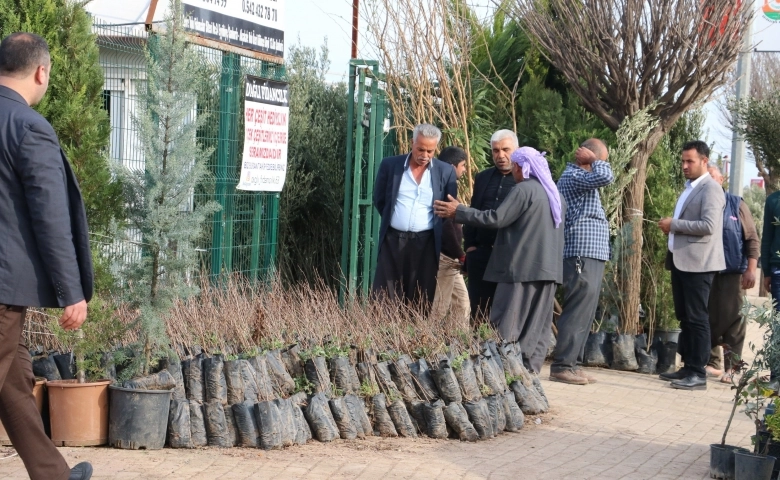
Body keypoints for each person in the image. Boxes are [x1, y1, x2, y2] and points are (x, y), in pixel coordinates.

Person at [0, 33, 94, 480]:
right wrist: (71, 291)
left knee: (15, 387)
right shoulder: (29, 126)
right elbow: (50, 217)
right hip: (2, 292)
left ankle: (52, 475)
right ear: (41, 72)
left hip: (6, 298)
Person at [435, 146, 566, 374]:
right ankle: (529, 378)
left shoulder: (524, 190)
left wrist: (460, 211)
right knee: (537, 327)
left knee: (507, 324)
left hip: (520, 271)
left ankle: (503, 376)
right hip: (549, 272)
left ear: (519, 167)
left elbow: (496, 218)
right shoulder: (555, 194)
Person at [658, 140, 725, 391]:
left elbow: (708, 225)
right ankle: (687, 366)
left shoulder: (710, 189)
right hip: (682, 262)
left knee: (697, 318)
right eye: (683, 161)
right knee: (685, 316)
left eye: (690, 161)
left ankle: (698, 372)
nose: (685, 166)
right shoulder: (690, 187)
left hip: (699, 264)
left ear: (704, 161)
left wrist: (674, 224)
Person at [550, 139, 614, 385]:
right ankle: (562, 365)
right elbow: (606, 178)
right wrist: (596, 161)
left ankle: (572, 364)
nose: (602, 165)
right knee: (577, 309)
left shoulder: (581, 178)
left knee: (586, 311)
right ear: (587, 156)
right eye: (601, 160)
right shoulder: (574, 176)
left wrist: (595, 161)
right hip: (580, 251)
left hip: (592, 252)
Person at [372, 124, 457, 308]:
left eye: (430, 151)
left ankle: (413, 336)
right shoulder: (390, 165)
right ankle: (383, 335)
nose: (425, 155)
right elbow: (379, 200)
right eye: (420, 149)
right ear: (412, 143)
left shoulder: (445, 172)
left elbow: (448, 209)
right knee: (384, 298)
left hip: (425, 243)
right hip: (392, 240)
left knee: (420, 297)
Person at [704, 166, 758, 383]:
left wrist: (751, 270)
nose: (710, 182)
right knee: (706, 317)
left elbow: (752, 238)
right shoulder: (700, 202)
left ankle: (733, 368)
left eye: (713, 177)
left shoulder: (737, 204)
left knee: (734, 320)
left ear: (722, 179)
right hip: (705, 270)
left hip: (732, 272)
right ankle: (711, 363)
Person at [463, 129, 518, 321]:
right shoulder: (483, 177)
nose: (500, 155)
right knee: (478, 311)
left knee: (506, 312)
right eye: (495, 150)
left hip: (510, 256)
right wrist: (470, 246)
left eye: (505, 149)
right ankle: (479, 349)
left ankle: (504, 350)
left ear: (516, 150)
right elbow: (474, 210)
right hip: (481, 254)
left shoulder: (525, 180)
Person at [430, 146, 470, 328]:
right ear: (452, 166)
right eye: (462, 165)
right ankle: (425, 343)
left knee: (461, 302)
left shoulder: (446, 182)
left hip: (452, 256)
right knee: (439, 306)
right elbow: (446, 225)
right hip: (446, 255)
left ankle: (457, 344)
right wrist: (459, 253)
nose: (464, 170)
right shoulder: (444, 184)